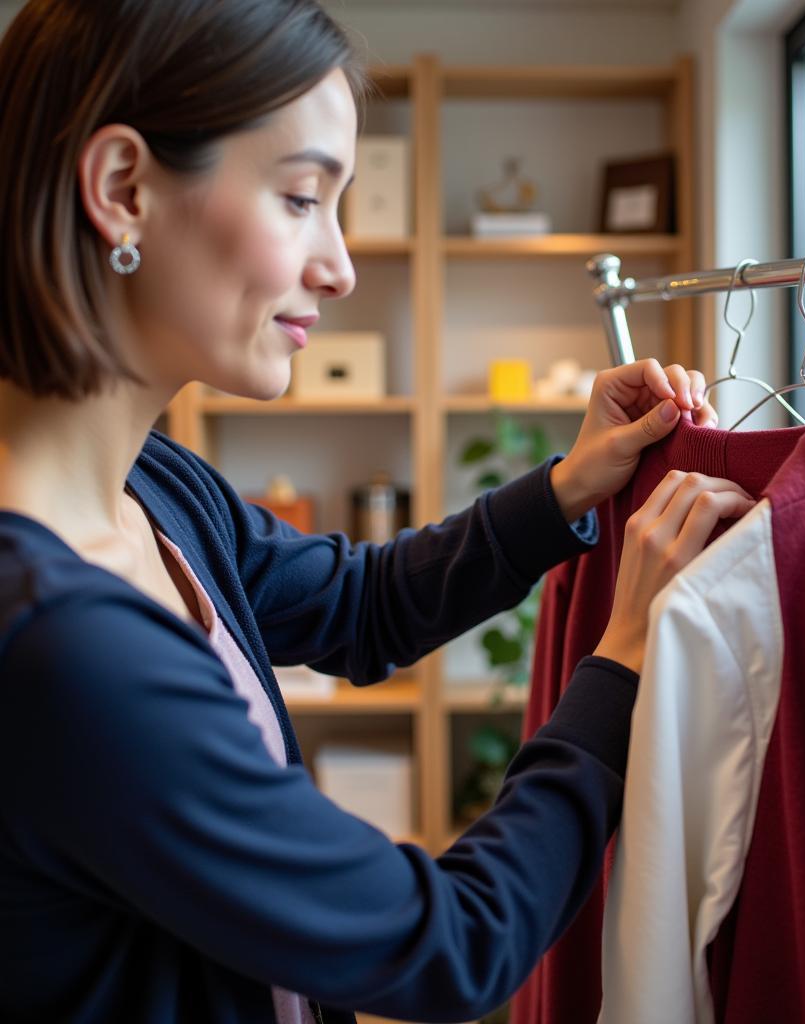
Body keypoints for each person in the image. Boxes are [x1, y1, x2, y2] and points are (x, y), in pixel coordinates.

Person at [0, 2, 754, 1022]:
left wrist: (567, 486)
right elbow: (446, 944)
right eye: (303, 197)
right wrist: (623, 665)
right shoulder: (57, 644)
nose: (342, 265)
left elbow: (358, 604)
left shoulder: (154, 487)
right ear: (123, 189)